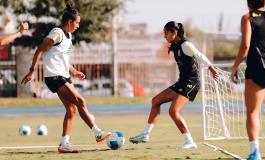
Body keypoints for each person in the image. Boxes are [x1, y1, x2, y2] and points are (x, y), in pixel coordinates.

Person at [21, 2, 110, 153]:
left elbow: (61, 58)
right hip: (54, 77)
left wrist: (74, 71)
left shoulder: (68, 37)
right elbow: (40, 50)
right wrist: (31, 71)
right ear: (69, 22)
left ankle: (64, 144)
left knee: (72, 109)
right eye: (77, 23)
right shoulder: (57, 33)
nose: (78, 26)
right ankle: (98, 133)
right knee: (81, 101)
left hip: (63, 76)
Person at [129, 21, 218, 149]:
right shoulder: (174, 45)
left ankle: (190, 141)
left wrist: (211, 68)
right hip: (182, 82)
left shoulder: (185, 44)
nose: (164, 36)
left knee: (173, 111)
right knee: (155, 101)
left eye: (166, 33)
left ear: (174, 33)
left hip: (191, 83)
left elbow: (199, 55)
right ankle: (145, 134)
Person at [230, 0, 265, 160]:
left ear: (248, 3)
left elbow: (245, 46)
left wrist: (235, 67)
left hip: (258, 69)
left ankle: (255, 153)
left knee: (253, 112)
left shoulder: (247, 18)